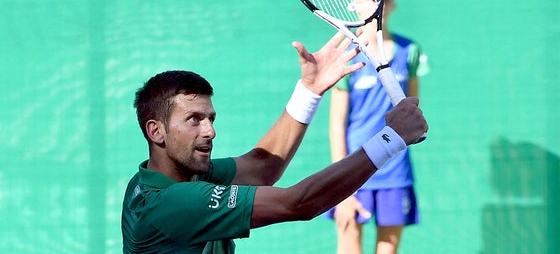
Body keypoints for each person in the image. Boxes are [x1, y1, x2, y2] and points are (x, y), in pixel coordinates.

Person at [121, 32, 428, 254]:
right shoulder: (171, 202)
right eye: (194, 120)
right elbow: (299, 203)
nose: (210, 131)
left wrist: (309, 91)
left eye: (210, 118)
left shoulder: (168, 176)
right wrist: (390, 139)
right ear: (156, 131)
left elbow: (262, 167)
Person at [326, 0, 430, 254]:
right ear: (355, 3)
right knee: (348, 244)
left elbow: (412, 110)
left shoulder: (410, 52)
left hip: (395, 170)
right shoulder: (348, 52)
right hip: (353, 169)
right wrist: (341, 182)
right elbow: (337, 123)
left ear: (393, 3)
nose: (379, 4)